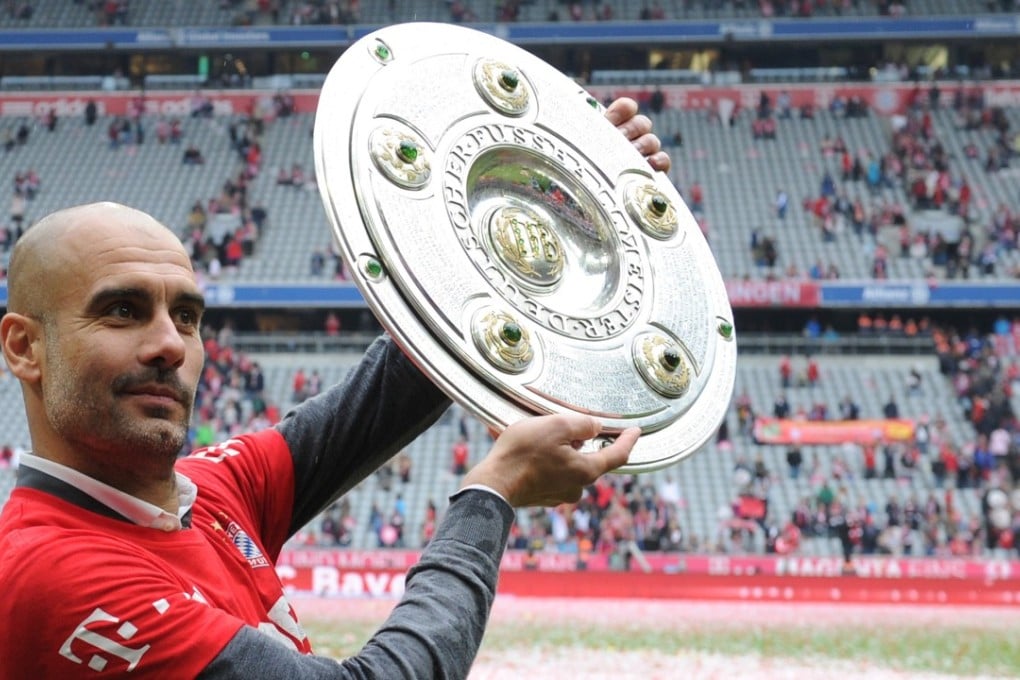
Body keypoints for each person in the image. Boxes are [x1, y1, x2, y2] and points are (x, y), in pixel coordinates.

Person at [0, 98, 667, 678]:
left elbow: (393, 391)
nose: (170, 344)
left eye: (187, 317)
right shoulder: (52, 574)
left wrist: (551, 209)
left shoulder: (214, 490)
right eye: (121, 310)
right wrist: (490, 496)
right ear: (25, 348)